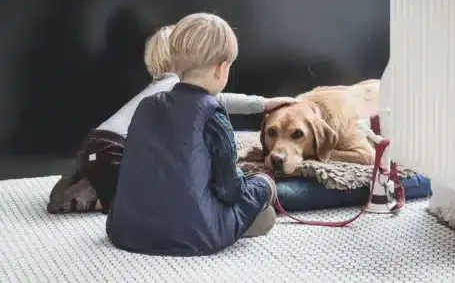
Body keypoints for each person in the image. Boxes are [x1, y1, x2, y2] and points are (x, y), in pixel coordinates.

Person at [47, 23, 294, 214]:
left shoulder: (160, 88)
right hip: (115, 150)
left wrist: (262, 104)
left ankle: (85, 183)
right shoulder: (176, 88)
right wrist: (262, 104)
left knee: (113, 177)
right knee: (138, 199)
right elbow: (220, 100)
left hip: (98, 144)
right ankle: (94, 197)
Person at [106, 13, 279, 256]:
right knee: (261, 183)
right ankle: (253, 209)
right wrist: (258, 182)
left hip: (127, 229)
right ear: (222, 68)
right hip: (194, 233)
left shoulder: (146, 105)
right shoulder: (212, 114)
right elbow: (230, 191)